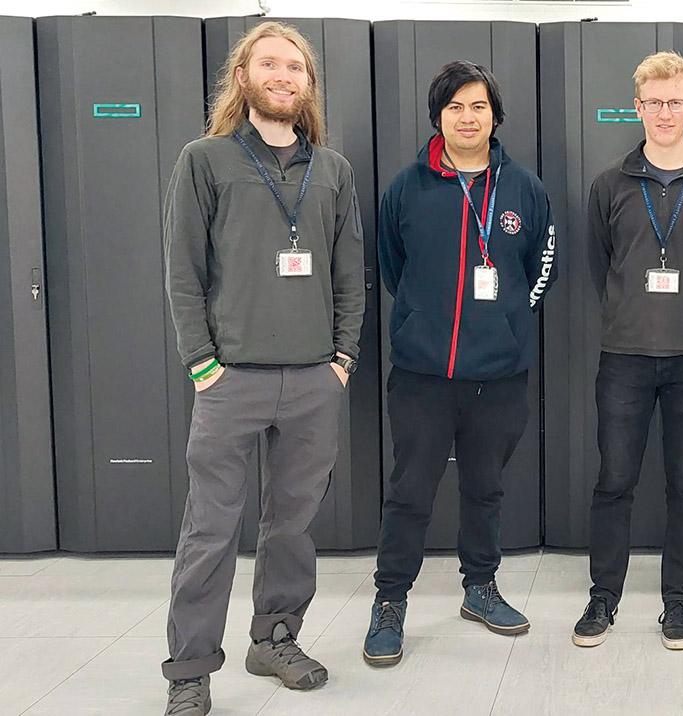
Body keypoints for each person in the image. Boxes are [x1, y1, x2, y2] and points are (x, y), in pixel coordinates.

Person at [161, 21, 364, 715]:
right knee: (210, 530)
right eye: (268, 63)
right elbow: (183, 274)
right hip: (231, 382)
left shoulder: (332, 171)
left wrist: (342, 359)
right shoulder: (206, 160)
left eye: (295, 67)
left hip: (312, 381)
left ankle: (275, 637)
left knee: (291, 526)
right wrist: (201, 366)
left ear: (308, 84)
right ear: (244, 76)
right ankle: (189, 670)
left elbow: (349, 276)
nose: (282, 75)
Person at [363, 61, 558, 667]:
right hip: (422, 375)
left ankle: (480, 587)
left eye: (478, 106)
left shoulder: (524, 188)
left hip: (498, 375)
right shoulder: (406, 188)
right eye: (455, 108)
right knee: (410, 491)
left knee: (486, 488)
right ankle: (390, 601)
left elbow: (540, 269)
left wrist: (503, 324)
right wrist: (426, 321)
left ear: (495, 116)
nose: (468, 117)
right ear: (437, 117)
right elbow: (392, 269)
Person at [572, 51, 683, 651]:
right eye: (654, 102)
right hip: (624, 357)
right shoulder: (610, 184)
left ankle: (677, 605)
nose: (665, 112)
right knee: (614, 480)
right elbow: (601, 268)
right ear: (638, 107)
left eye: (676, 101)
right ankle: (603, 599)